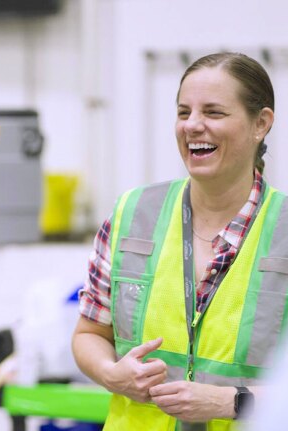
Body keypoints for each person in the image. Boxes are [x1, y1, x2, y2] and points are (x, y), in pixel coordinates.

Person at [72, 51, 288, 430]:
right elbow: (90, 333)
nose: (193, 125)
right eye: (183, 112)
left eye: (214, 113)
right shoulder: (132, 214)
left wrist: (232, 401)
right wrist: (111, 373)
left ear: (261, 124)